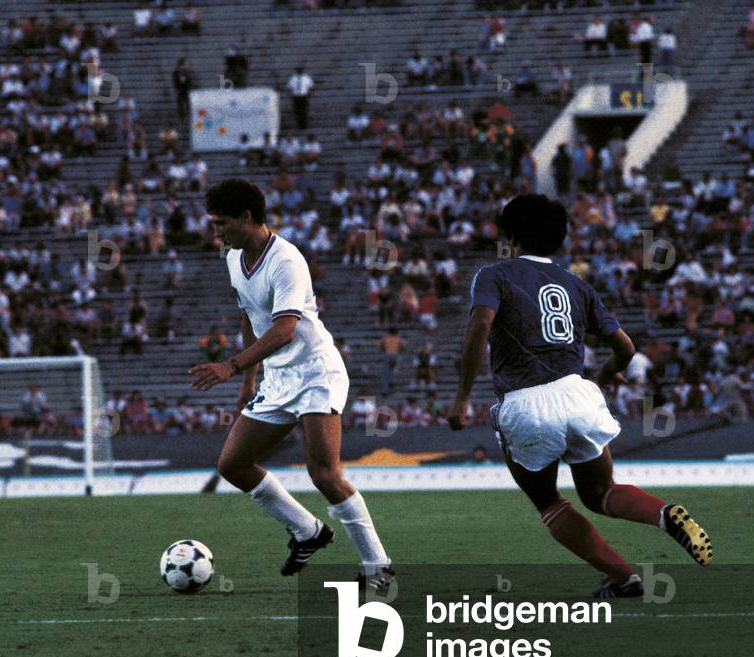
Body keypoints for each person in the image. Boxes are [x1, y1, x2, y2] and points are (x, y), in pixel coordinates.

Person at [448, 193, 713, 598]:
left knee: (550, 503)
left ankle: (623, 578)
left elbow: (480, 328)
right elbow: (625, 348)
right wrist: (606, 376)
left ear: (511, 235)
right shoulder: (577, 284)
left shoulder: (494, 275)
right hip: (579, 396)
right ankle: (665, 515)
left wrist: (462, 397)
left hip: (525, 404)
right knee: (602, 492)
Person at [192, 179, 393, 591]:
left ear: (247, 218)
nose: (216, 231)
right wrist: (249, 378)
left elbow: (285, 329)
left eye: (221, 223)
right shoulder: (232, 257)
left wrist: (230, 366)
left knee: (323, 472)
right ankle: (308, 531)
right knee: (232, 465)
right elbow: (249, 316)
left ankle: (378, 566)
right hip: (278, 378)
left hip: (316, 372)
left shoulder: (287, 260)